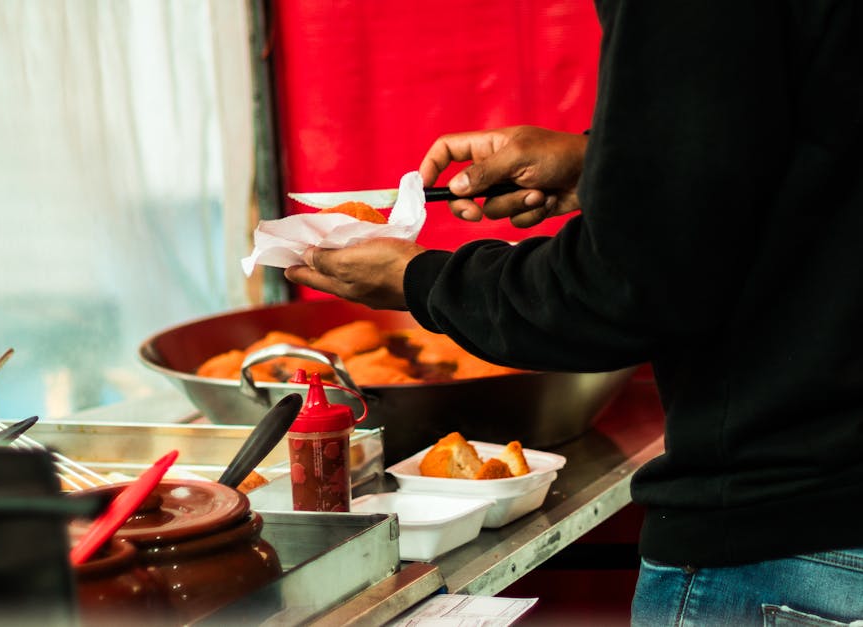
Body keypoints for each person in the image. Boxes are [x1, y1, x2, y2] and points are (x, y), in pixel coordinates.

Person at [285, 2, 863, 625]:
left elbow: (630, 287)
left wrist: (420, 280)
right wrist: (609, 166)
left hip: (785, 540)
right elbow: (809, 141)